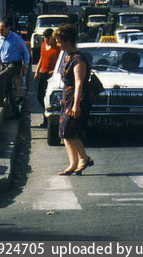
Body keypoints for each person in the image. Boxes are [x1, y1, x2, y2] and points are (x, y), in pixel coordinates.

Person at [53, 24, 95, 175]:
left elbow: (79, 83)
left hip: (77, 98)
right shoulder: (67, 56)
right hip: (67, 97)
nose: (57, 44)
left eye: (59, 41)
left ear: (67, 40)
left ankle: (83, 158)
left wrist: (76, 105)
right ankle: (73, 162)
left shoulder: (78, 60)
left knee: (69, 129)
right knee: (64, 131)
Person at [0, 18, 31, 111]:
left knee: (0, 76)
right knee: (8, 87)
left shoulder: (16, 38)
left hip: (15, 64)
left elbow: (25, 52)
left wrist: (26, 65)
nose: (0, 31)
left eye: (2, 29)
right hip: (4, 64)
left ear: (8, 28)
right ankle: (15, 111)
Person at [34, 27, 60, 126]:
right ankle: (46, 113)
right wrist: (37, 71)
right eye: (45, 38)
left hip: (52, 75)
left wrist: (54, 71)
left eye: (48, 38)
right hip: (43, 73)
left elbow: (61, 61)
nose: (46, 40)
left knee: (48, 97)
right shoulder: (43, 45)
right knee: (40, 96)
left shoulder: (58, 48)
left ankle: (47, 119)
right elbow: (41, 58)